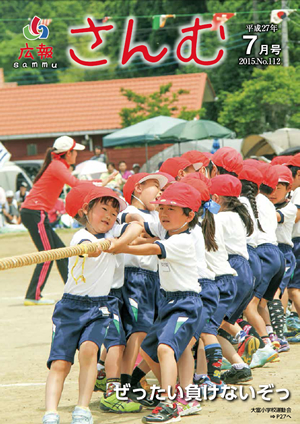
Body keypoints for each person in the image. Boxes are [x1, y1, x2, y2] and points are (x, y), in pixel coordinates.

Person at [42, 185, 143, 424]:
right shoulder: (81, 237)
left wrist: (118, 240)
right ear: (86, 210)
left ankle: (82, 409)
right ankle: (51, 413)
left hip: (99, 308)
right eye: (103, 209)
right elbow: (94, 251)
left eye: (113, 213)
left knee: (89, 351)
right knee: (60, 363)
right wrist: (111, 244)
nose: (108, 216)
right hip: (70, 308)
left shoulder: (112, 235)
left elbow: (138, 224)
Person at [115, 183, 204, 423]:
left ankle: (169, 404)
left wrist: (116, 247)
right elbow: (137, 222)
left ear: (190, 215)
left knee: (166, 349)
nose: (163, 213)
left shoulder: (184, 239)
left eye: (171, 209)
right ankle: (184, 397)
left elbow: (150, 248)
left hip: (186, 303)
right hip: (168, 301)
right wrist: (122, 224)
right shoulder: (167, 229)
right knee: (152, 350)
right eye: (161, 207)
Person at [21, 136, 88, 306]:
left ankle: (73, 292)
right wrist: (98, 184)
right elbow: (75, 183)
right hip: (35, 212)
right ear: (68, 153)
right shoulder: (58, 166)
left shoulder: (58, 165)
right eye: (75, 152)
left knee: (61, 252)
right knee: (47, 254)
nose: (77, 155)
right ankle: (33, 296)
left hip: (35, 212)